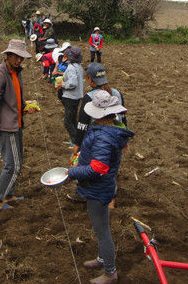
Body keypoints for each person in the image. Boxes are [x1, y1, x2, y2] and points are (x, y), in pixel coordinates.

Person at [67, 91, 134, 284]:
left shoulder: (104, 137)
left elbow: (98, 169)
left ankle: (110, 272)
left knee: (102, 231)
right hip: (102, 186)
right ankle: (102, 259)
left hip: (98, 188)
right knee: (101, 227)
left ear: (100, 114)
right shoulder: (109, 130)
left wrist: (72, 173)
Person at [0, 39, 35, 210]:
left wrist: (24, 107)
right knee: (12, 165)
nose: (19, 60)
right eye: (16, 57)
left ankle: (8, 195)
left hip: (17, 122)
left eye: (21, 57)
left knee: (18, 162)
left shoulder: (16, 72)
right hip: (7, 126)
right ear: (8, 54)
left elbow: (14, 96)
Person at [58, 46, 84, 146]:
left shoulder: (72, 68)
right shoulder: (79, 67)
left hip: (70, 97)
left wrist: (62, 85)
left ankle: (75, 141)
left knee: (68, 122)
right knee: (73, 119)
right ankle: (76, 139)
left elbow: (73, 83)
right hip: (77, 96)